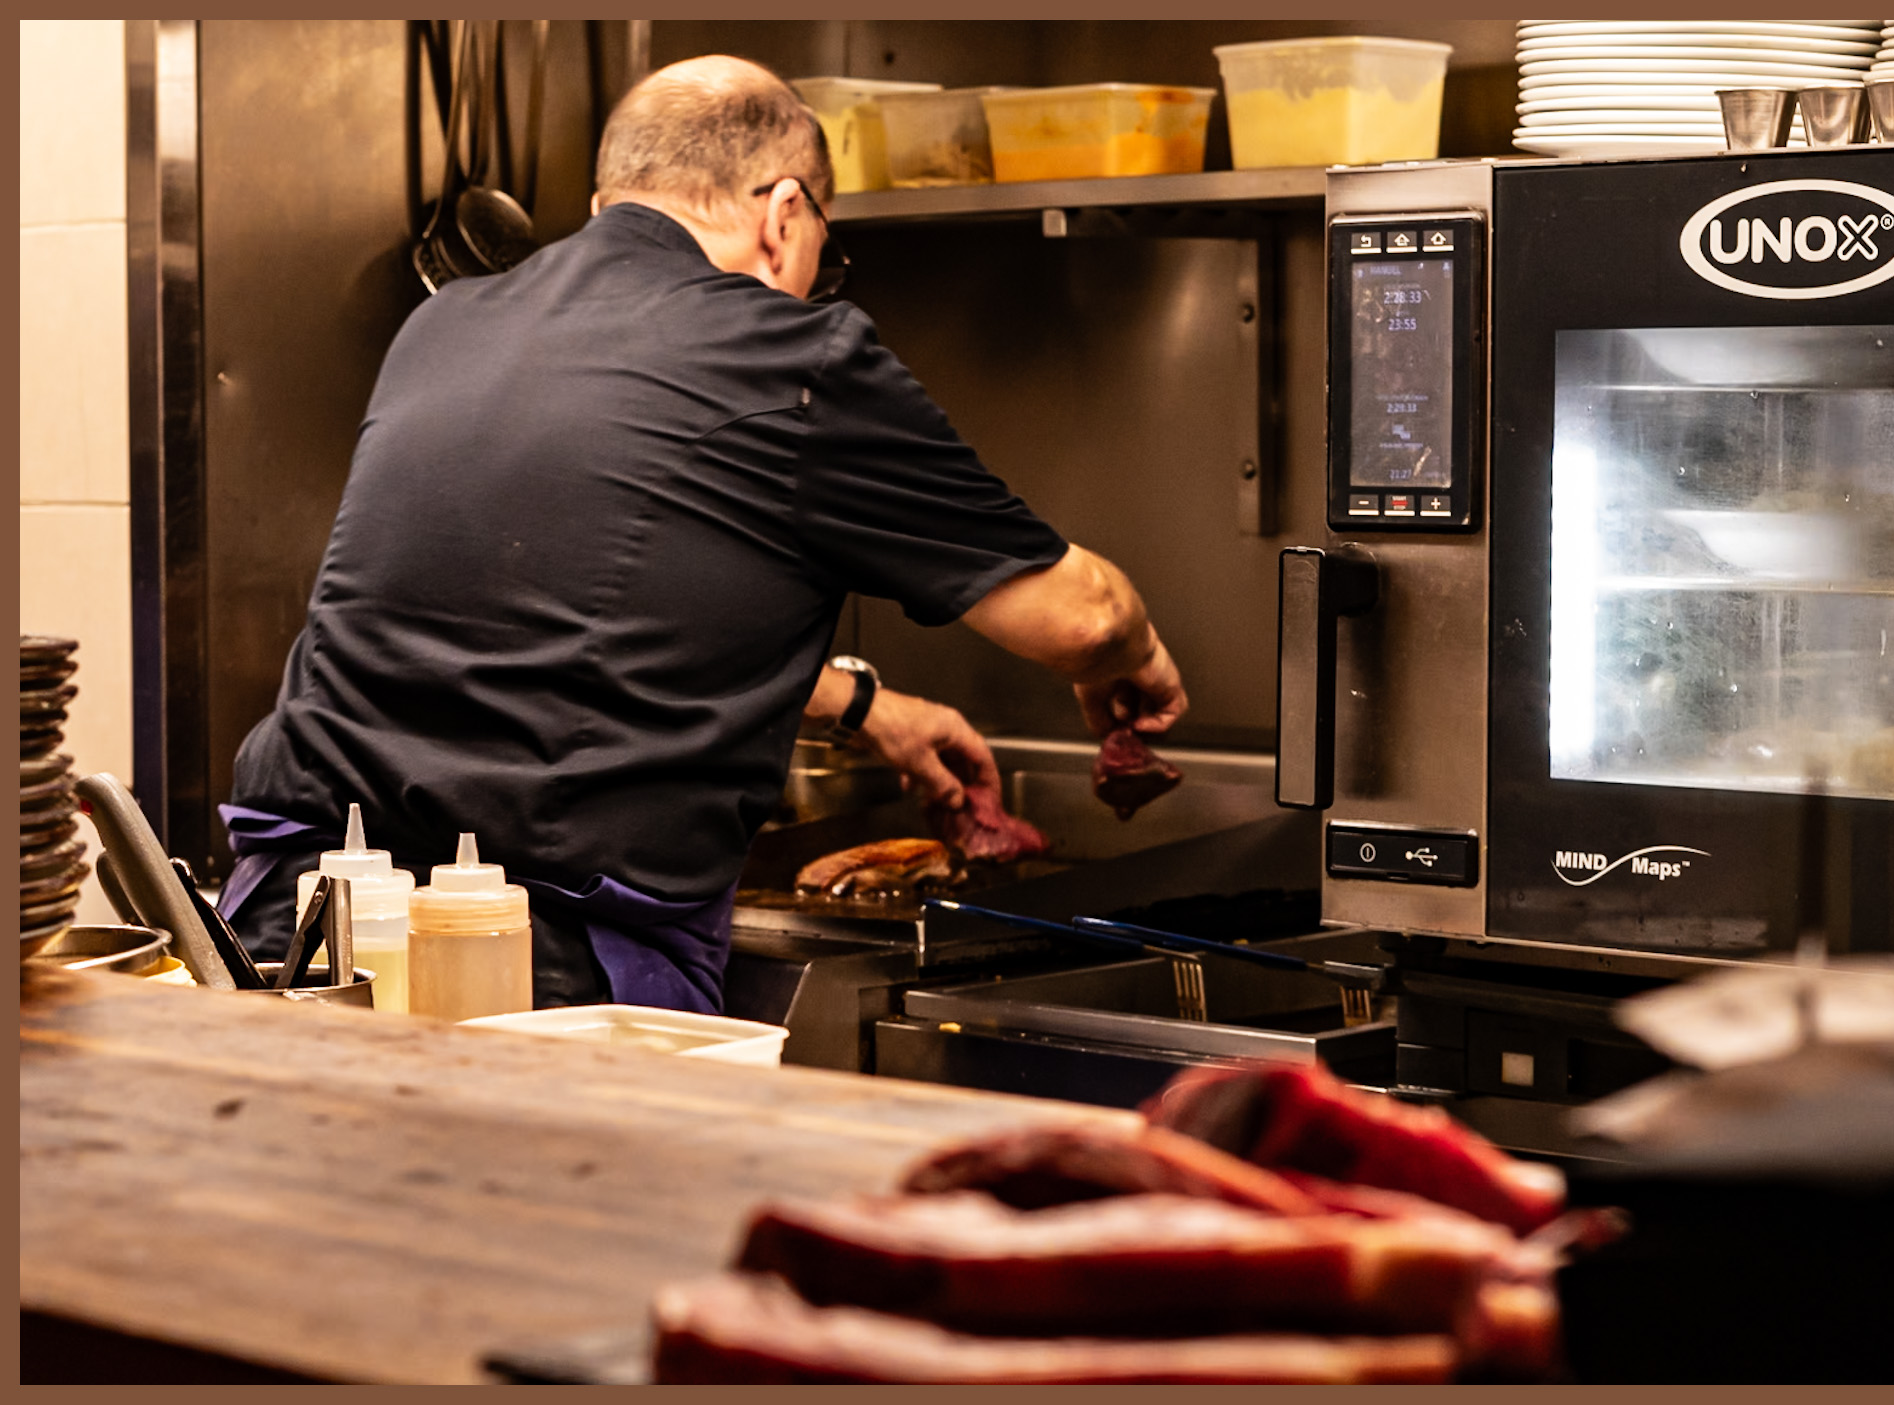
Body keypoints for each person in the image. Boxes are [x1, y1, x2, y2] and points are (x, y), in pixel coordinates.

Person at [218, 54, 1188, 1013]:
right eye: (823, 254)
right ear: (785, 215)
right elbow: (1086, 619)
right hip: (532, 963)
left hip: (296, 920)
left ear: (606, 204)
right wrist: (1135, 658)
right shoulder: (793, 357)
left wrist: (863, 706)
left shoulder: (447, 324)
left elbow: (564, 615)